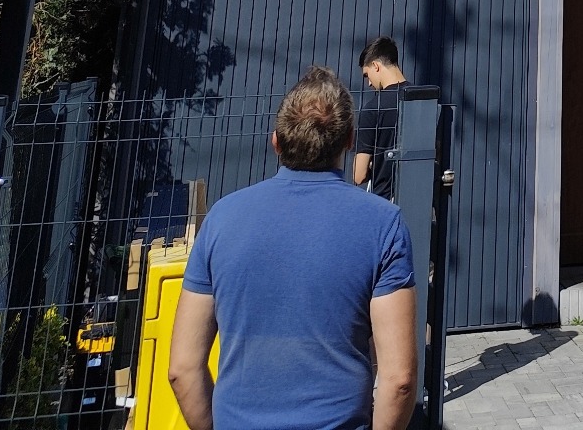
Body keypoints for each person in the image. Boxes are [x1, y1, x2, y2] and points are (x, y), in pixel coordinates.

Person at [168, 67, 418, 430]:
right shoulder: (383, 224)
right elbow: (399, 380)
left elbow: (182, 369)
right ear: (349, 140)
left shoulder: (222, 219)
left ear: (276, 142)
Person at [354, 37, 407, 198]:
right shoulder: (423, 101)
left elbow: (359, 175)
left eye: (366, 75)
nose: (369, 83)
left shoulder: (373, 108)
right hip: (422, 200)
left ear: (376, 66)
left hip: (385, 200)